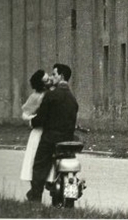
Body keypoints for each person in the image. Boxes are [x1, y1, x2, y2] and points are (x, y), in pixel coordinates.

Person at [26, 63, 79, 203]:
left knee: (39, 165)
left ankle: (35, 197)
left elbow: (41, 118)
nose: (52, 77)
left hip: (51, 138)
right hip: (68, 139)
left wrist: (32, 122)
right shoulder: (73, 99)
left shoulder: (51, 95)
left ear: (61, 76)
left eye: (54, 74)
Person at [19, 69, 51, 184]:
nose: (50, 81)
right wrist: (36, 118)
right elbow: (25, 115)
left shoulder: (52, 93)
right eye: (47, 80)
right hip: (39, 131)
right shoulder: (35, 97)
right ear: (41, 84)